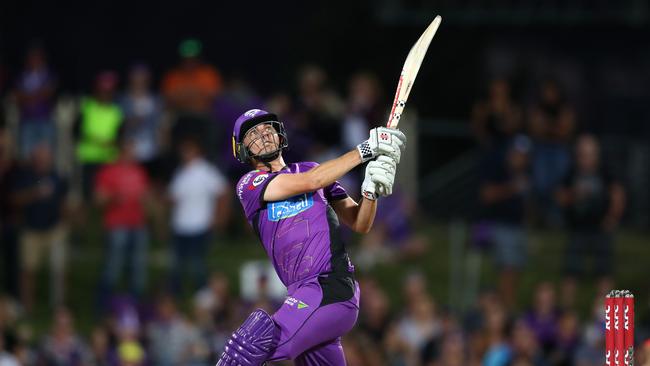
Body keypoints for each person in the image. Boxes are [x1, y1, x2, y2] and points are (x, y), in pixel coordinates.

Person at [216, 109, 406, 365]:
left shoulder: (312, 170)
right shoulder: (250, 184)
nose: (263, 135)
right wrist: (364, 150)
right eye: (253, 134)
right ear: (242, 148)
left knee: (250, 346)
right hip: (304, 295)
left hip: (328, 288)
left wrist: (370, 191)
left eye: (267, 128)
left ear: (280, 134)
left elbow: (360, 223)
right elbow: (310, 181)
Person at [555, 134, 625, 309]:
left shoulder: (605, 171)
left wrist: (611, 218)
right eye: (582, 154)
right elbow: (560, 197)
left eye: (589, 154)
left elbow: (618, 194)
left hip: (600, 229)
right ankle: (566, 312)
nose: (585, 158)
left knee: (604, 272)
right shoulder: (572, 172)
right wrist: (575, 194)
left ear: (596, 154)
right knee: (571, 272)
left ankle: (603, 316)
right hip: (577, 228)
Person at [168, 137, 230, 294]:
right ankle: (177, 296)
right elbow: (173, 197)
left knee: (198, 265)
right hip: (180, 225)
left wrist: (218, 218)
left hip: (199, 225)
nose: (185, 154)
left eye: (189, 150)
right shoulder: (181, 172)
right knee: (177, 264)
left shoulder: (206, 171)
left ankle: (202, 296)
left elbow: (223, 192)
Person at [13, 144, 69, 312]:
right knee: (28, 270)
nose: (43, 162)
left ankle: (60, 305)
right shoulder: (25, 177)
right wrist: (33, 193)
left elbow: (63, 203)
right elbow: (14, 200)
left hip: (54, 229)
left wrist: (67, 219)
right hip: (31, 229)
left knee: (60, 268)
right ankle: (27, 306)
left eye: (46, 158)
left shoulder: (58, 177)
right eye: (39, 158)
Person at [95, 139, 150, 303]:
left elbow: (145, 196)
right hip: (117, 225)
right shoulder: (109, 172)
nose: (133, 155)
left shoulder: (140, 172)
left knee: (138, 267)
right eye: (129, 151)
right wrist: (113, 198)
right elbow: (98, 199)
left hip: (138, 224)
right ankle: (104, 302)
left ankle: (135, 305)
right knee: (114, 265)